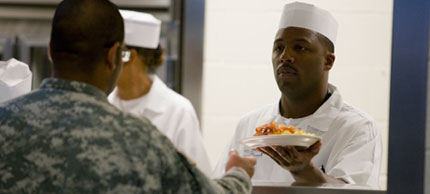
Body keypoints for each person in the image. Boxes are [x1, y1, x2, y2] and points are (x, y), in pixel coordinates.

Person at [0, 0, 256, 193]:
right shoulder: (140, 138)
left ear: (50, 51)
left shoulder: (4, 120)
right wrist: (239, 173)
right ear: (114, 56)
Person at [214, 2, 382, 188]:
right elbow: (220, 189)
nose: (285, 56)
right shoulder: (251, 124)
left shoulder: (356, 128)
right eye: (279, 48)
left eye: (300, 48)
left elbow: (352, 191)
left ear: (328, 61)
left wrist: (305, 171)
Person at [108, 10, 212, 176]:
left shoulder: (178, 111)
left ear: (129, 56)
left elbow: (200, 181)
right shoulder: (103, 105)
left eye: (111, 54)